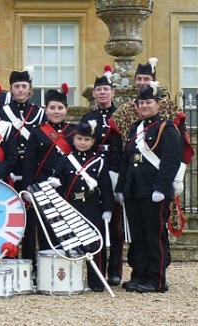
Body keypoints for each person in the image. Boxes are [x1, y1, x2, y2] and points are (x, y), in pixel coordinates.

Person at [115, 85, 181, 293]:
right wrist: (122, 189)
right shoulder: (136, 129)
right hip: (135, 190)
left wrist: (161, 188)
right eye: (141, 103)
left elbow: (171, 161)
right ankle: (140, 275)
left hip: (154, 192)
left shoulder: (166, 128)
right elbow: (127, 161)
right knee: (138, 236)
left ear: (158, 104)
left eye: (148, 102)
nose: (144, 106)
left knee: (154, 236)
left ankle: (157, 280)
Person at [52, 121, 114, 292]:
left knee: (95, 244)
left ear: (93, 141)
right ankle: (72, 280)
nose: (83, 142)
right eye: (80, 138)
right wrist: (55, 183)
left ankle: (97, 281)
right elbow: (59, 183)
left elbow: (106, 188)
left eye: (87, 139)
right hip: (71, 206)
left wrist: (107, 209)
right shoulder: (65, 160)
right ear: (74, 139)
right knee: (70, 242)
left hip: (92, 206)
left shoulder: (99, 161)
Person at [21, 84, 76, 269]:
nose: (56, 111)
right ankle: (44, 270)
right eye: (52, 108)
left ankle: (67, 267)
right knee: (45, 228)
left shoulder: (74, 132)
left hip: (67, 186)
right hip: (42, 186)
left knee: (67, 227)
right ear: (46, 110)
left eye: (60, 108)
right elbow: (29, 162)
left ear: (66, 110)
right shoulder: (37, 132)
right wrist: (28, 188)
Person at [80, 69, 124, 287]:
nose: (102, 93)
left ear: (112, 92)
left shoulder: (122, 116)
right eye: (98, 90)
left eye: (106, 89)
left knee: (115, 226)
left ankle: (115, 270)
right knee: (96, 223)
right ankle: (97, 270)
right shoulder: (89, 118)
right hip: (94, 175)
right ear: (94, 94)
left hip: (114, 172)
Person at [0, 67, 46, 190]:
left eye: (24, 86)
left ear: (29, 89)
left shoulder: (39, 112)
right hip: (10, 166)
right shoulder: (2, 112)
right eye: (16, 86)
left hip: (32, 165)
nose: (20, 90)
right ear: (11, 89)